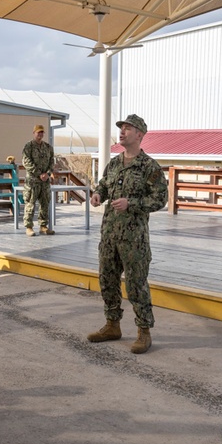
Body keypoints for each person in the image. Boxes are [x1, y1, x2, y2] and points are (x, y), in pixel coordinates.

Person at [87, 114, 167, 354]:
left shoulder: (149, 167)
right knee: (107, 281)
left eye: (128, 129)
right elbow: (103, 185)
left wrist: (131, 203)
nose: (122, 132)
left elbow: (160, 198)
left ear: (140, 135)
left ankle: (144, 332)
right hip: (110, 235)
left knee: (136, 285)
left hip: (134, 240)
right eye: (121, 128)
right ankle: (112, 325)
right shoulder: (113, 163)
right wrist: (98, 194)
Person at [22, 124, 55, 236]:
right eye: (38, 132)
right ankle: (29, 227)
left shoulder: (48, 147)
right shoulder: (29, 147)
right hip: (32, 181)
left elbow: (52, 162)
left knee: (45, 203)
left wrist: (48, 174)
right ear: (34, 133)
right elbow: (26, 162)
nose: (40, 134)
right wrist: (39, 174)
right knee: (30, 203)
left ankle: (43, 226)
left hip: (45, 181)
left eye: (42, 132)